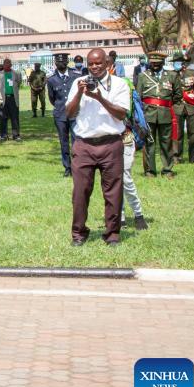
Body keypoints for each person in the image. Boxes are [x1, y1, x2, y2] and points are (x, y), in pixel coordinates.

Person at [65, 49, 130, 246]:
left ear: (108, 63)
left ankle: (112, 234)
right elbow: (69, 113)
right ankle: (79, 233)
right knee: (80, 192)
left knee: (113, 192)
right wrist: (79, 93)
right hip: (84, 145)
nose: (94, 67)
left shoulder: (119, 84)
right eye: (91, 64)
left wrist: (99, 97)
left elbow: (121, 114)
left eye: (98, 63)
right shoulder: (79, 82)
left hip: (110, 144)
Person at [136, 50, 181, 178]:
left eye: (158, 63)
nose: (155, 65)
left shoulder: (172, 76)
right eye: (153, 62)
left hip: (165, 113)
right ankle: (150, 171)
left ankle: (167, 169)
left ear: (163, 62)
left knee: (166, 142)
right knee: (149, 142)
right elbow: (138, 97)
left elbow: (177, 95)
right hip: (148, 114)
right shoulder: (143, 76)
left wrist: (165, 104)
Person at [121, 74, 148, 230]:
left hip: (124, 138)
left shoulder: (124, 85)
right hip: (105, 142)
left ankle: (138, 215)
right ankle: (120, 217)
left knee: (125, 179)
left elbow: (128, 112)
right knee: (111, 182)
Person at [46, 53, 79, 177]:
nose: (61, 64)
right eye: (59, 62)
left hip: (75, 113)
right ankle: (67, 167)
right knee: (63, 142)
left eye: (64, 61)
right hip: (60, 115)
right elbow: (52, 98)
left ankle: (78, 166)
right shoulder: (51, 79)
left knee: (76, 140)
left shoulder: (76, 76)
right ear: (55, 63)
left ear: (67, 62)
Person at [172, 50, 194, 164]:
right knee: (177, 134)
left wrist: (191, 100)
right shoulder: (171, 74)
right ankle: (177, 157)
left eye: (178, 61)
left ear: (183, 62)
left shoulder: (192, 73)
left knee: (193, 133)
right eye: (174, 62)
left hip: (190, 107)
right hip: (177, 106)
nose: (176, 64)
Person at [0, 58, 22, 141]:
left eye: (9, 63)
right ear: (3, 65)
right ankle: (3, 135)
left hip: (13, 98)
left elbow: (18, 83)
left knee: (14, 117)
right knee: (3, 117)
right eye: (5, 64)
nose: (7, 65)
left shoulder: (16, 73)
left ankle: (16, 135)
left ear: (11, 65)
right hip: (3, 99)